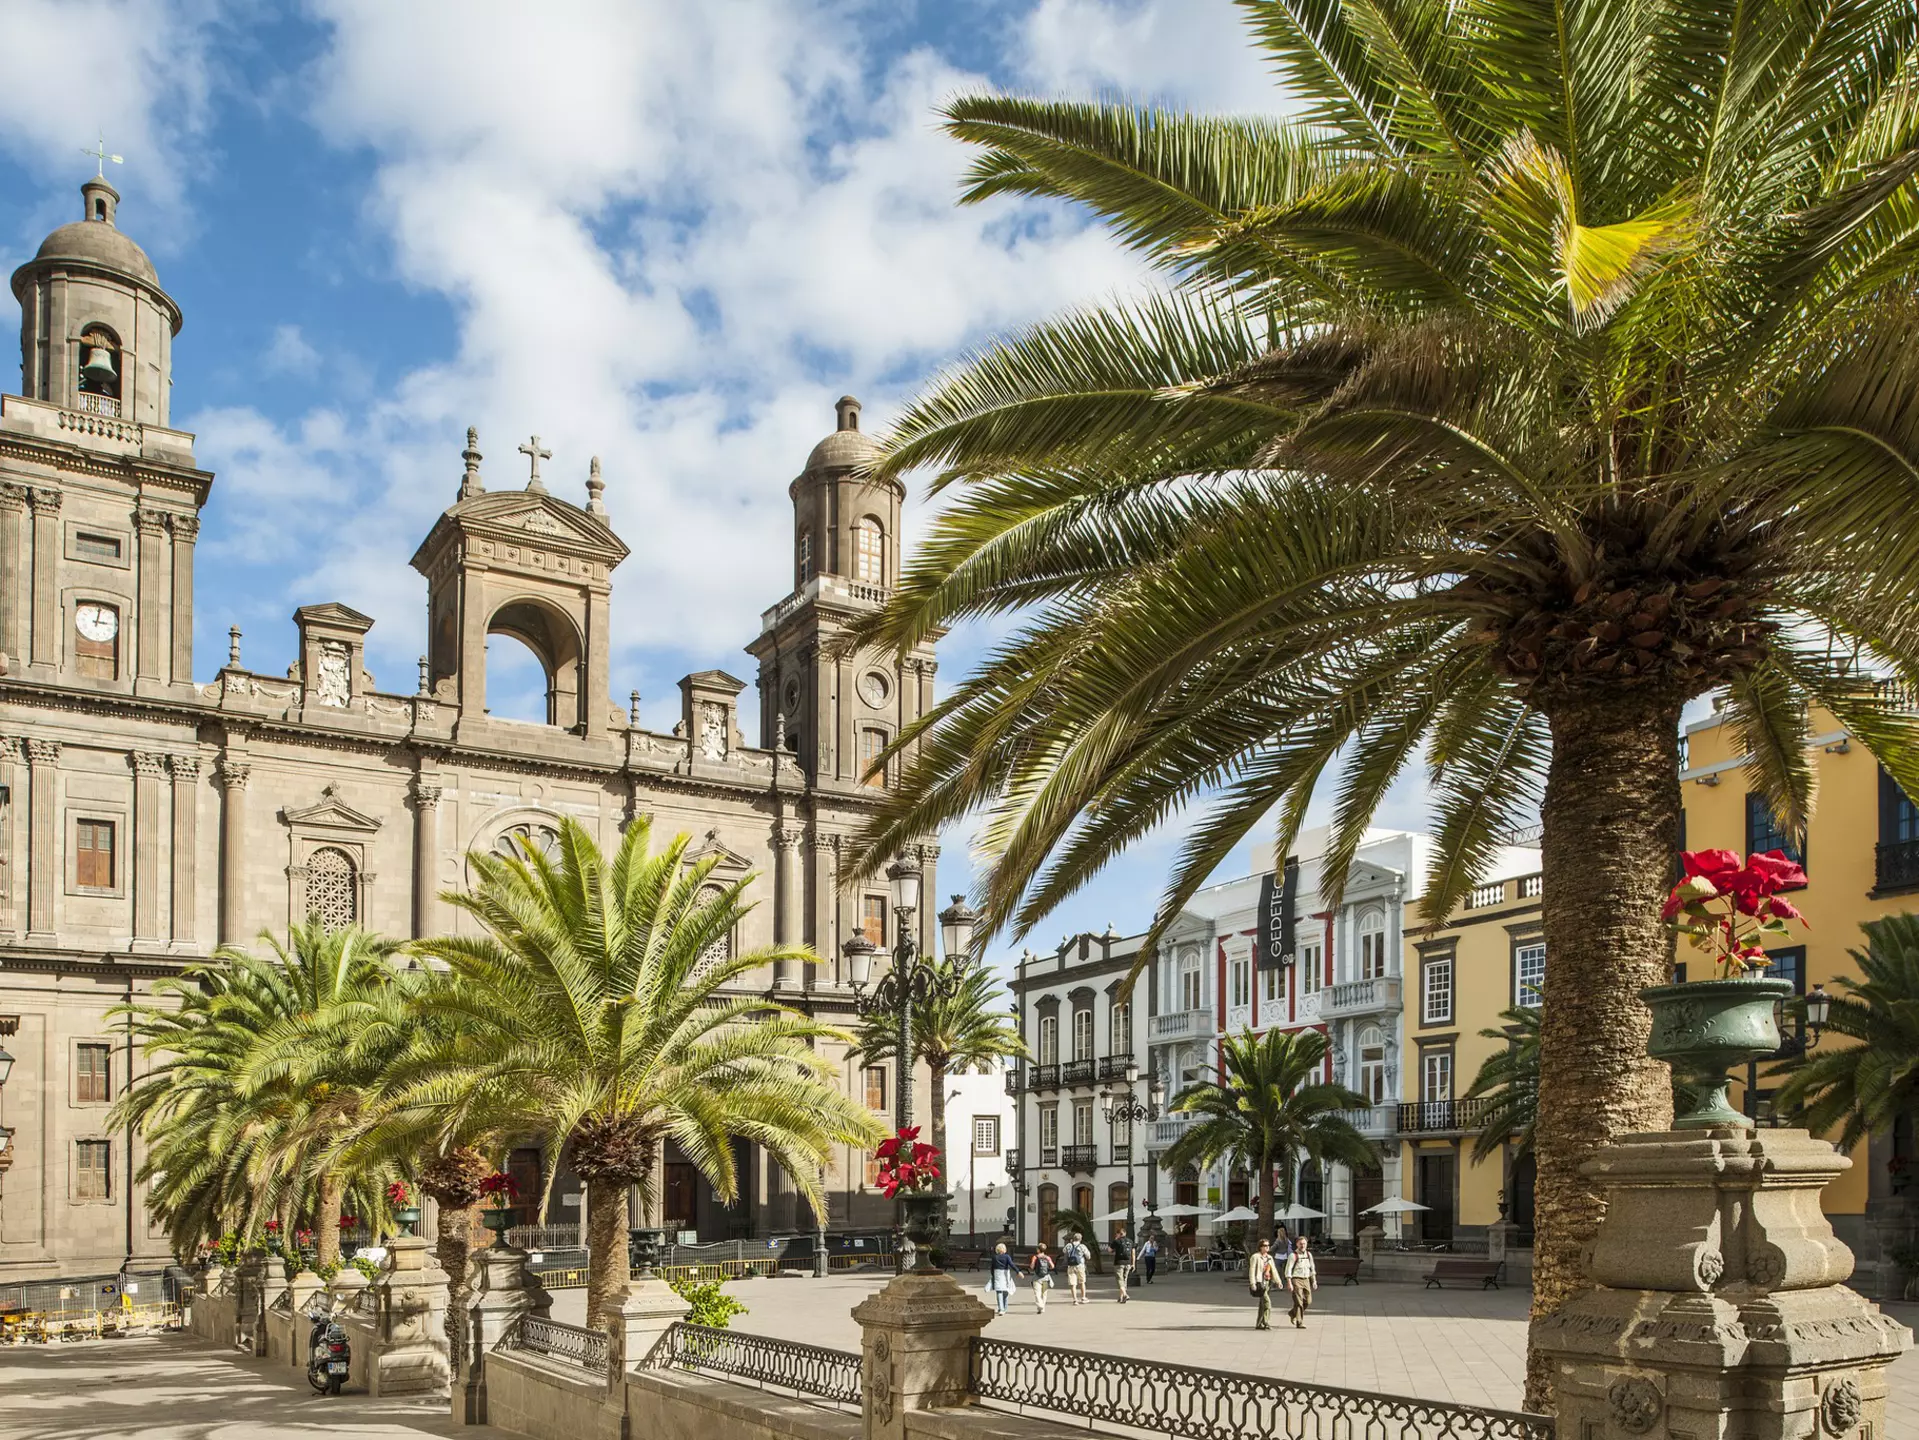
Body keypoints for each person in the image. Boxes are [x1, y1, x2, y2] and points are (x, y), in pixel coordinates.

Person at [1284, 1235, 1318, 1329]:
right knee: (1299, 1302)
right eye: (1300, 1244)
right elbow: (1288, 1269)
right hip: (1296, 1279)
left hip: (1306, 1279)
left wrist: (1314, 1281)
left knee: (1308, 1301)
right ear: (1297, 1244)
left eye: (1304, 1243)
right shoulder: (1293, 1255)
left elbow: (1312, 1268)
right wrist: (1289, 1282)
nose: (1302, 1245)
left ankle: (1292, 1313)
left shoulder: (1309, 1255)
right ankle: (1299, 1322)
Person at [1247, 1237, 1280, 1330]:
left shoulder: (1269, 1258)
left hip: (1267, 1282)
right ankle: (1265, 1322)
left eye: (1268, 1246)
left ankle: (1259, 1324)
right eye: (1265, 1246)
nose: (1267, 1247)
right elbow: (1252, 1270)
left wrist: (1278, 1281)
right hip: (1259, 1283)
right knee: (1267, 1303)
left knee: (1262, 1304)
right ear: (1260, 1247)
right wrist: (1252, 1283)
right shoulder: (1255, 1257)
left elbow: (1274, 1270)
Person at [987, 1241, 1018, 1315]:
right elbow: (1011, 1264)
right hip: (1005, 1275)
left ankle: (1001, 1308)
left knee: (999, 1292)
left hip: (997, 1275)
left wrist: (993, 1275)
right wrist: (1018, 1271)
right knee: (1005, 1291)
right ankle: (1004, 1308)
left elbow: (992, 1267)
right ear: (1004, 1249)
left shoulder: (994, 1257)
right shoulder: (1007, 1257)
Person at [1061, 1233, 1089, 1305]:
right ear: (1080, 1239)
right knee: (1082, 1282)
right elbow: (1088, 1256)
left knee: (1073, 1284)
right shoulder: (1082, 1246)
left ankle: (1075, 1300)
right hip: (1080, 1266)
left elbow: (1064, 1251)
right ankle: (1083, 1298)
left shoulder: (1069, 1245)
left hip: (1070, 1266)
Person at [1110, 1226, 1135, 1303]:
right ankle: (1121, 1297)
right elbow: (1133, 1253)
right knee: (1124, 1280)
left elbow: (1109, 1250)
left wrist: (1115, 1241)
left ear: (1118, 1234)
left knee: (1120, 1280)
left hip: (1119, 1263)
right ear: (1125, 1233)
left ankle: (1125, 1295)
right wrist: (1133, 1264)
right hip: (1128, 1263)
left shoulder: (1117, 1241)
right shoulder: (1130, 1241)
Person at [1028, 1243, 1055, 1313]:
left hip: (1037, 1278)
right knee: (1044, 1293)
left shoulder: (1035, 1257)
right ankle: (1042, 1308)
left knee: (1037, 1293)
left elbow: (1032, 1267)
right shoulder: (1047, 1257)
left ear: (1038, 1250)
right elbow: (1052, 1266)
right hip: (1046, 1278)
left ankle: (1040, 1306)